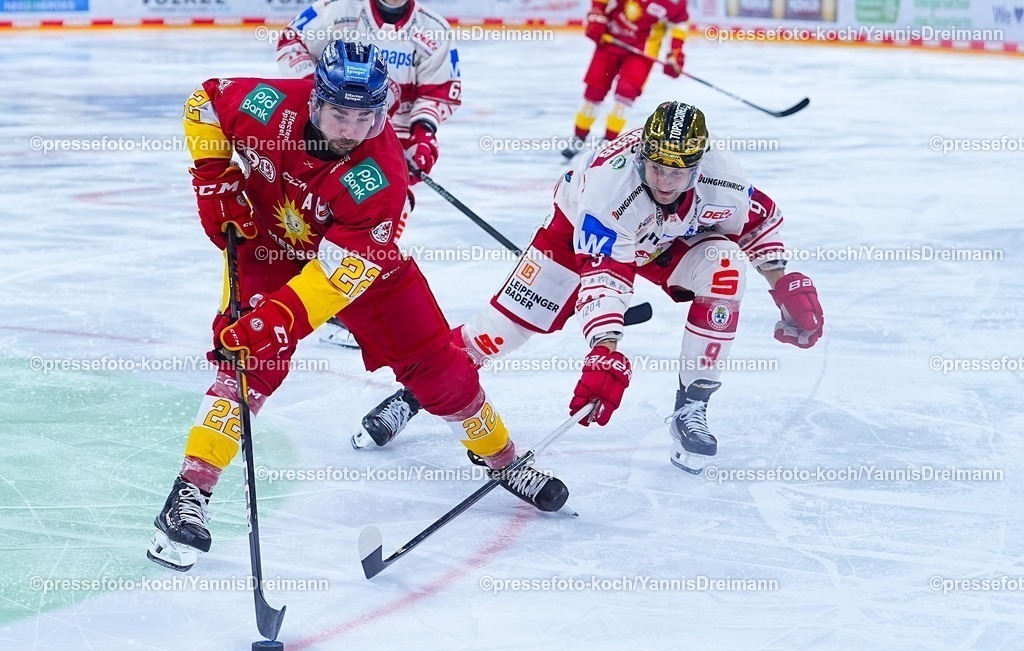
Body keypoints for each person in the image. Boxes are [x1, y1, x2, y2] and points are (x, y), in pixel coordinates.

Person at [147, 42, 564, 573]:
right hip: (268, 246)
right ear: (316, 99)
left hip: (363, 267)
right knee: (246, 366)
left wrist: (279, 319)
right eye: (339, 113)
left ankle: (503, 460)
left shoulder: (381, 176)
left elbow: (338, 276)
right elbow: (203, 102)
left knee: (441, 368)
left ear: (382, 111)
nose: (349, 128)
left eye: (365, 116)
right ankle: (190, 495)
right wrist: (213, 176)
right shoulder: (268, 104)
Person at [355, 101, 824, 476]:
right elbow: (604, 279)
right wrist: (605, 349)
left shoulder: (726, 180)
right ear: (644, 156)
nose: (663, 180)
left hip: (665, 241)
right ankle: (417, 392)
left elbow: (760, 225)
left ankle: (691, 408)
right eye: (656, 167)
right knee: (497, 334)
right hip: (572, 232)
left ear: (698, 167)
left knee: (725, 267)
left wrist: (785, 286)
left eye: (677, 172)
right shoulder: (610, 185)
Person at [277, 0, 461, 348]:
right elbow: (292, 40)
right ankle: (311, 294)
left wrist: (422, 136)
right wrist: (311, 88)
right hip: (332, 132)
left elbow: (439, 92)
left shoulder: (433, 29)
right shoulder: (339, 10)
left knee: (382, 225)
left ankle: (347, 300)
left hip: (390, 147)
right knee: (318, 215)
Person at [563, 0, 689, 159]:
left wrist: (676, 51)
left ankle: (608, 142)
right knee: (594, 91)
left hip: (642, 51)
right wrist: (597, 14)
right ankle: (578, 137)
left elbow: (678, 23)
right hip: (609, 40)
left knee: (626, 92)